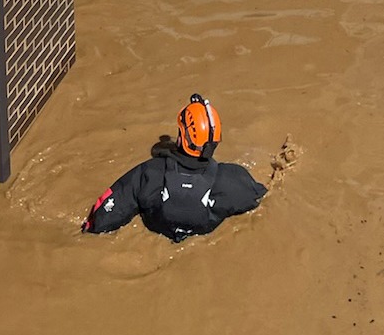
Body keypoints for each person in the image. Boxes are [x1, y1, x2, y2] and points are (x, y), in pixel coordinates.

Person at [82, 94, 267, 242]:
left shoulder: (149, 173)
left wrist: (88, 228)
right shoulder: (233, 180)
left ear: (183, 138)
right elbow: (261, 196)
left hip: (157, 232)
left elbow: (102, 218)